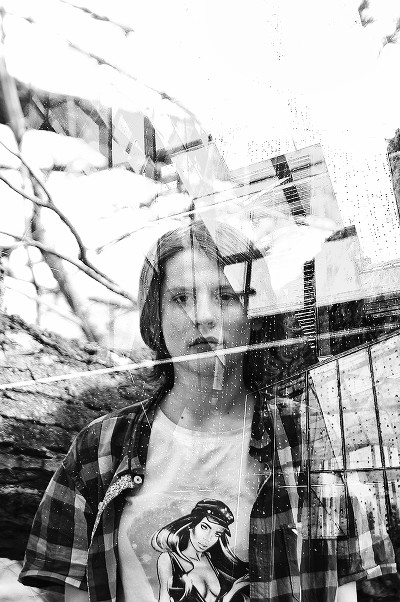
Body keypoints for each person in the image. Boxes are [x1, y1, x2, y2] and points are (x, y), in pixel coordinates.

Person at [19, 219, 396, 602]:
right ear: (155, 317)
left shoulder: (306, 438)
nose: (203, 315)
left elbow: (341, 586)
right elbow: (70, 590)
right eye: (181, 298)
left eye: (226, 296)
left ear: (255, 312)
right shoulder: (100, 447)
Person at [151, 499, 249, 602]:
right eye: (204, 527)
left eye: (217, 534)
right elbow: (164, 599)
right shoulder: (168, 559)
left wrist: (235, 589)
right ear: (191, 525)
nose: (208, 538)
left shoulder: (210, 558)